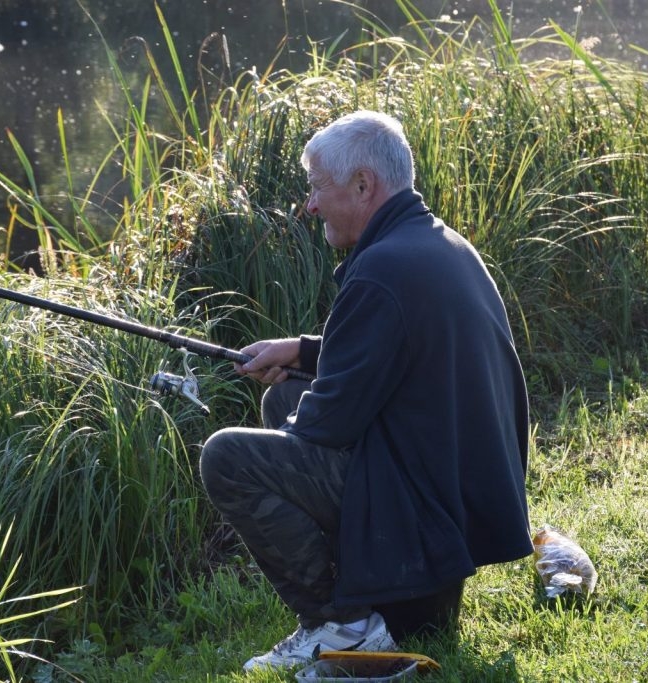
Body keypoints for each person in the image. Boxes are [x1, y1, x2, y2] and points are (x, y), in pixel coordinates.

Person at [199, 110, 532, 672]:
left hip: (425, 518)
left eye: (316, 189)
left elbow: (325, 425)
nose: (310, 205)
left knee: (228, 456)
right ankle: (384, 596)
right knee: (283, 396)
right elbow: (393, 355)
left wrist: (281, 453)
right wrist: (304, 352)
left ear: (362, 185)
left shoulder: (379, 271)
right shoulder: (437, 245)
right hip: (455, 511)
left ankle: (344, 624)